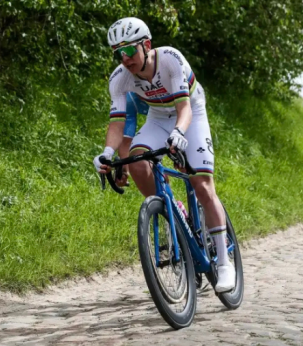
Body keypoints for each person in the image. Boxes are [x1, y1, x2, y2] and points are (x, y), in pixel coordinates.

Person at [93, 17, 235, 293]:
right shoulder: (119, 79)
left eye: (129, 50)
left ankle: (224, 262)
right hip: (158, 118)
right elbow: (117, 123)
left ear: (146, 45)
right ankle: (173, 213)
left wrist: (180, 132)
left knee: (202, 184)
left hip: (190, 113)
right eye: (118, 53)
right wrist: (107, 153)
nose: (125, 59)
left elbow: (185, 109)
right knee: (137, 162)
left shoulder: (170, 59)